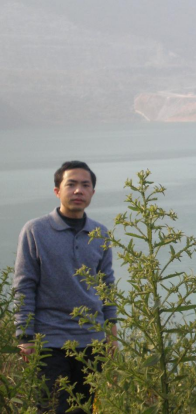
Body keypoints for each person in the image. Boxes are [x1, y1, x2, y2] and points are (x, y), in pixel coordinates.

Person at [13, 160, 117, 413]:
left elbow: (107, 285)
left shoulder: (100, 234)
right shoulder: (35, 230)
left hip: (91, 342)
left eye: (85, 185)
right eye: (71, 184)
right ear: (57, 191)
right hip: (49, 342)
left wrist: (112, 334)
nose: (78, 190)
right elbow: (24, 285)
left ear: (92, 192)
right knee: (51, 408)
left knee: (84, 408)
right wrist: (25, 336)